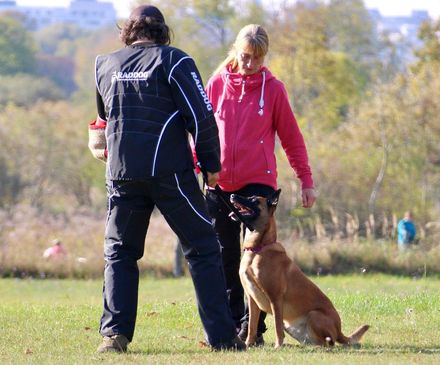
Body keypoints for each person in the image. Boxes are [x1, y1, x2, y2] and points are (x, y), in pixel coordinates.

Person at [93, 5, 244, 353]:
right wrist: (211, 164)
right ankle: (222, 337)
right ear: (162, 31)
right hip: (169, 173)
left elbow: (103, 117)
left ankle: (114, 336)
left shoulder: (104, 64)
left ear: (127, 31)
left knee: (119, 253)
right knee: (204, 248)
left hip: (121, 174)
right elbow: (202, 116)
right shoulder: (175, 60)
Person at [205, 24, 317, 343]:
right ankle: (231, 327)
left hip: (258, 189)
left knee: (259, 262)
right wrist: (202, 166)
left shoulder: (274, 89)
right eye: (245, 56)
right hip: (219, 185)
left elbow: (292, 139)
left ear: (264, 56)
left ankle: (253, 329)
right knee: (225, 258)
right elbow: (200, 132)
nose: (251, 63)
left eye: (257, 58)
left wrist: (305, 180)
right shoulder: (216, 84)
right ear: (236, 52)